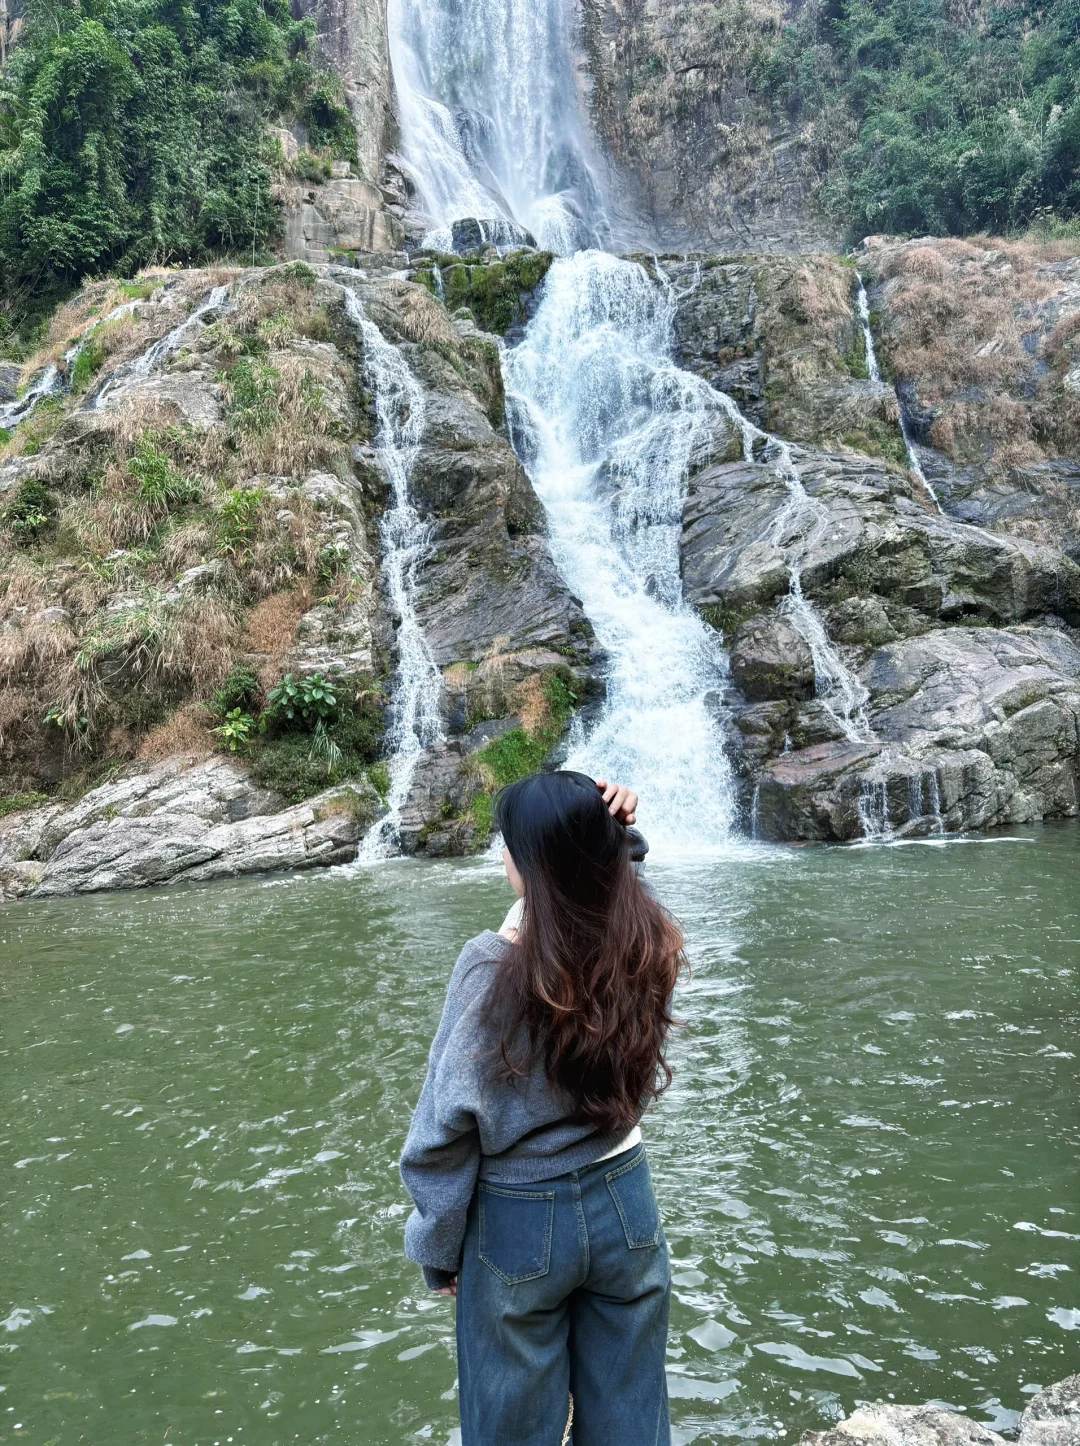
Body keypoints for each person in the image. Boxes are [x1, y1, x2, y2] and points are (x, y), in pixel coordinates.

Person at [400, 771, 686, 1446]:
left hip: (520, 1218)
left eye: (509, 845)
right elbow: (607, 877)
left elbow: (443, 1134)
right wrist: (609, 827)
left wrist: (438, 1252)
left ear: (529, 863)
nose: (503, 856)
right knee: (631, 1414)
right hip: (627, 1200)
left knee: (511, 1427)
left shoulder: (490, 966)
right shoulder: (642, 940)